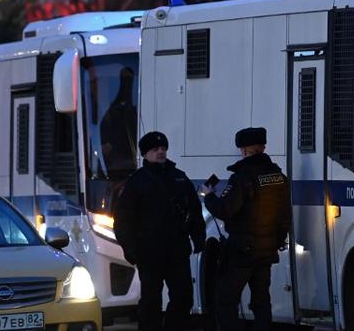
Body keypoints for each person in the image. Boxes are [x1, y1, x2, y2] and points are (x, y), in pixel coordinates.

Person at [200, 127, 291, 331]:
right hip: (266, 251)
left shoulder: (242, 177)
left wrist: (209, 196)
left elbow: (225, 210)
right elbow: (285, 215)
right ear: (263, 147)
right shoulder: (279, 176)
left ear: (243, 150)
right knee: (262, 301)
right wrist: (276, 241)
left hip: (241, 251)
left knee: (226, 300)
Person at [114, 131, 205, 331]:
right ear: (145, 154)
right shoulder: (136, 182)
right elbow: (123, 221)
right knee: (151, 302)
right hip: (149, 254)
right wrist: (132, 251)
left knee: (183, 298)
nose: (161, 152)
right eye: (155, 149)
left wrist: (199, 237)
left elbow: (194, 210)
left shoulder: (179, 177)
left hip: (177, 252)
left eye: (163, 148)